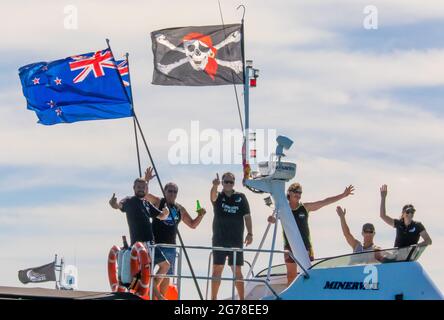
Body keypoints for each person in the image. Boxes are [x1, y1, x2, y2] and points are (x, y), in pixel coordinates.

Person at [268, 182, 355, 286]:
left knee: (307, 275)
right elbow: (274, 218)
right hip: (289, 247)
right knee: (291, 275)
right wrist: (271, 219)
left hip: (305, 247)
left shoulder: (305, 207)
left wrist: (343, 195)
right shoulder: (283, 209)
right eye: (296, 191)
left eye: (300, 192)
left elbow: (324, 202)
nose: (298, 194)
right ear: (289, 193)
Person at [143, 166, 207, 297]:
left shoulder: (179, 209)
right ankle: (157, 297)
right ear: (165, 191)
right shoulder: (158, 202)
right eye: (170, 191)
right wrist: (147, 180)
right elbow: (143, 195)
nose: (172, 194)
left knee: (167, 277)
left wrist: (201, 215)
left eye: (174, 192)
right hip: (156, 245)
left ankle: (161, 297)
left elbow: (193, 224)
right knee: (149, 273)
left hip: (171, 246)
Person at [109, 177, 170, 300]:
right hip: (139, 245)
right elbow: (118, 206)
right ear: (134, 188)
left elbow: (162, 216)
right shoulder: (129, 201)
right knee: (143, 275)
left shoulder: (147, 204)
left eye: (143, 187)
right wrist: (113, 203)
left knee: (165, 266)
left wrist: (166, 213)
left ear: (147, 189)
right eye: (139, 187)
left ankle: (152, 291)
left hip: (151, 244)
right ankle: (157, 295)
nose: (141, 189)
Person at [210, 172, 252, 300]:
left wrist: (250, 233)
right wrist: (214, 186)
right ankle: (213, 299)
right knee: (217, 268)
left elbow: (247, 217)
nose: (228, 184)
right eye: (226, 182)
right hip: (219, 239)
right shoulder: (218, 196)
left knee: (237, 270)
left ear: (234, 183)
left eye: (231, 182)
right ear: (222, 183)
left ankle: (242, 300)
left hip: (236, 240)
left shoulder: (241, 197)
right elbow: (212, 197)